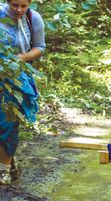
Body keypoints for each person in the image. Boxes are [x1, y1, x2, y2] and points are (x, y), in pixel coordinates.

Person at [0, 0, 46, 185]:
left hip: (17, 78)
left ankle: (3, 170)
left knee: (8, 122)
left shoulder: (33, 18)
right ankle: (9, 162)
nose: (19, 10)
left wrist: (22, 58)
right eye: (15, 5)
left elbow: (39, 47)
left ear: (29, 5)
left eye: (23, 6)